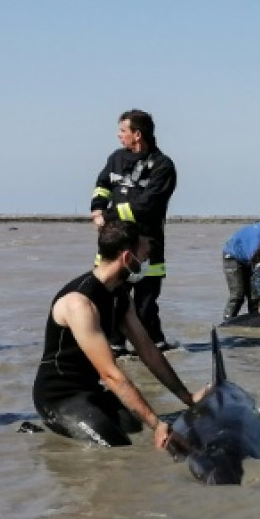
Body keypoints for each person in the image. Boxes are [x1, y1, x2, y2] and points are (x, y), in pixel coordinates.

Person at [33, 220, 206, 449]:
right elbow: (110, 374)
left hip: (91, 391)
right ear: (126, 258)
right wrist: (157, 424)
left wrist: (188, 398)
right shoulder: (79, 303)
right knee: (118, 446)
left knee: (134, 427)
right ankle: (42, 430)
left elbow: (148, 350)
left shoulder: (119, 295)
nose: (146, 262)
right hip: (58, 399)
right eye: (144, 256)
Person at [90, 109, 177, 353]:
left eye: (122, 131)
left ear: (137, 134)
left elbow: (147, 205)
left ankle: (156, 349)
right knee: (111, 300)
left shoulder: (163, 166)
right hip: (113, 243)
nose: (119, 136)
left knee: (145, 306)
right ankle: (116, 348)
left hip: (147, 245)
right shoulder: (116, 158)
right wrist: (97, 208)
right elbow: (102, 186)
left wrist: (107, 216)